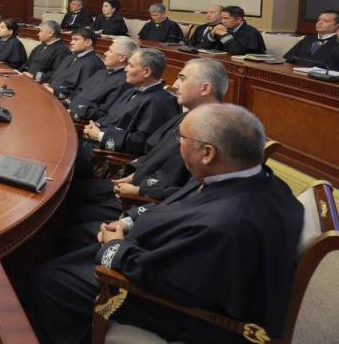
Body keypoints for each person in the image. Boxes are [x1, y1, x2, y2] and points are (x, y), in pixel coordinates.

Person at [27, 104, 302, 344]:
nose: (177, 144)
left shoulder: (230, 223)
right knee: (73, 239)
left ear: (208, 153)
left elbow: (168, 282)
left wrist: (116, 247)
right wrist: (128, 222)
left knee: (50, 281)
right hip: (176, 256)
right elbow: (177, 205)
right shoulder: (245, 177)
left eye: (181, 138)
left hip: (185, 309)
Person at [60, 58, 228, 252]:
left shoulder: (212, 132)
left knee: (70, 219)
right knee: (71, 191)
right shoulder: (187, 116)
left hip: (148, 202)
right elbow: (152, 152)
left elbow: (188, 190)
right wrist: (131, 177)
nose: (174, 85)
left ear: (205, 88)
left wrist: (138, 190)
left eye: (182, 78)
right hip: (134, 184)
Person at [77, 49, 178, 175]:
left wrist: (100, 135)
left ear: (146, 72)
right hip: (93, 143)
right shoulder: (132, 90)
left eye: (130, 65)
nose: (125, 69)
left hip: (106, 155)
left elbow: (141, 142)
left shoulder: (160, 102)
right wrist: (95, 126)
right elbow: (110, 116)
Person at [67, 38, 137, 121]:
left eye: (110, 51)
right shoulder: (101, 72)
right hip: (70, 111)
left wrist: (78, 109)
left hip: (84, 121)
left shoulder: (125, 82)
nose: (105, 53)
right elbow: (79, 91)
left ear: (121, 58)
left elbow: (106, 113)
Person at [46, 28, 105, 100]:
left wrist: (55, 93)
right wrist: (48, 84)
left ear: (88, 43)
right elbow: (56, 76)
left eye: (76, 39)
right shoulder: (69, 57)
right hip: (49, 94)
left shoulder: (93, 64)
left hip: (61, 102)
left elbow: (82, 93)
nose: (71, 42)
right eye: (72, 39)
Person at [202, 5, 266, 55]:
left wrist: (225, 35)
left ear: (238, 19)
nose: (223, 21)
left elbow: (236, 51)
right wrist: (212, 34)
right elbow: (205, 47)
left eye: (226, 18)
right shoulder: (224, 28)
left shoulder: (251, 32)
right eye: (222, 18)